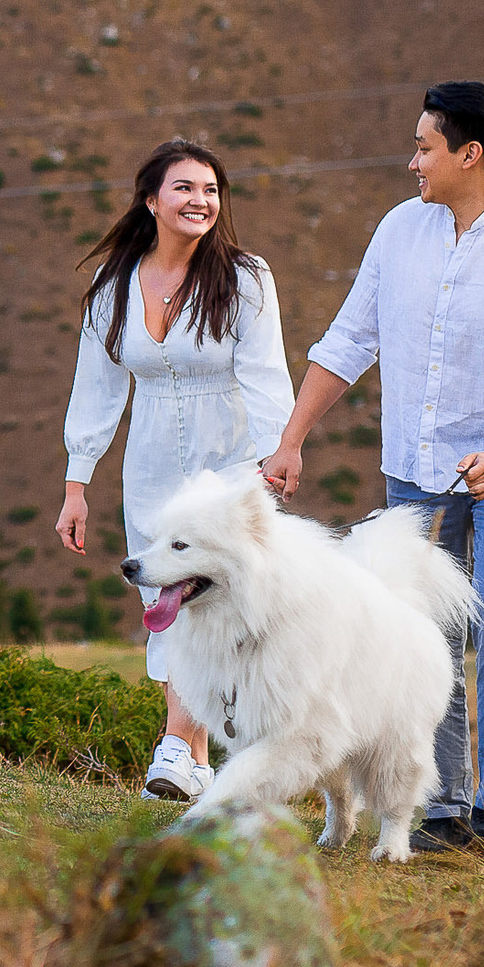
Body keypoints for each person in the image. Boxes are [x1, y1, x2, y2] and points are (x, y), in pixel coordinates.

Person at [259, 81, 484, 858]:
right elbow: (349, 340)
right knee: (423, 629)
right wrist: (292, 438)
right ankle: (441, 811)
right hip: (417, 468)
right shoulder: (399, 231)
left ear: (469, 153)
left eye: (424, 147)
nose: (412, 162)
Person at [57, 138, 295, 802]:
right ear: (151, 200)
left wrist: (279, 454)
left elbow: (266, 373)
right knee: (164, 602)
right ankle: (192, 762)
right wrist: (77, 484)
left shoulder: (245, 278)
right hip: (152, 465)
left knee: (210, 603)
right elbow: (96, 390)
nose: (200, 201)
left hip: (232, 465)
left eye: (211, 190)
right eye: (185, 188)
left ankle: (174, 744)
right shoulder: (113, 288)